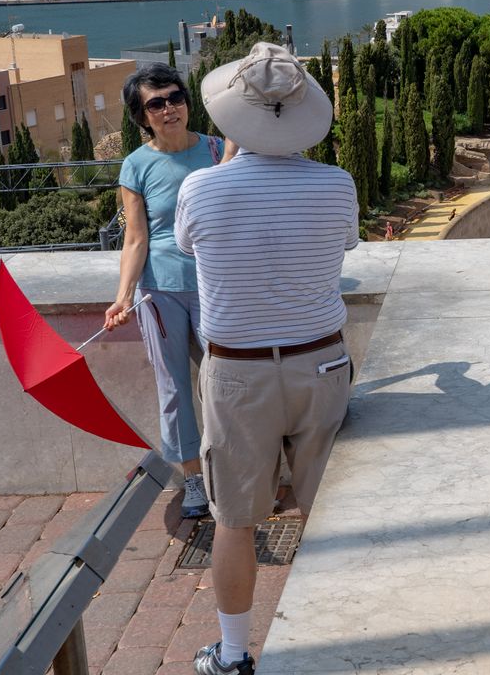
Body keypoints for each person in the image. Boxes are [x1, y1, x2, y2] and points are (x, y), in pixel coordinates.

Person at [178, 42, 358, 675]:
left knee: (234, 520)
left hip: (238, 374)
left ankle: (231, 656)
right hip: (322, 366)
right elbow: (342, 246)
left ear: (232, 118)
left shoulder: (200, 189)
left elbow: (190, 246)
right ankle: (348, 640)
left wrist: (231, 156)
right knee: (328, 513)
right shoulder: (337, 185)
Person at [104, 62, 236, 521]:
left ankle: (235, 469)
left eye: (175, 97)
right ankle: (194, 480)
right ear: (142, 117)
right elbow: (136, 238)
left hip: (216, 286)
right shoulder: (135, 166)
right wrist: (122, 296)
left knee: (228, 382)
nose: (169, 108)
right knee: (175, 388)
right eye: (155, 103)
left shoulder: (219, 148)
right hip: (159, 292)